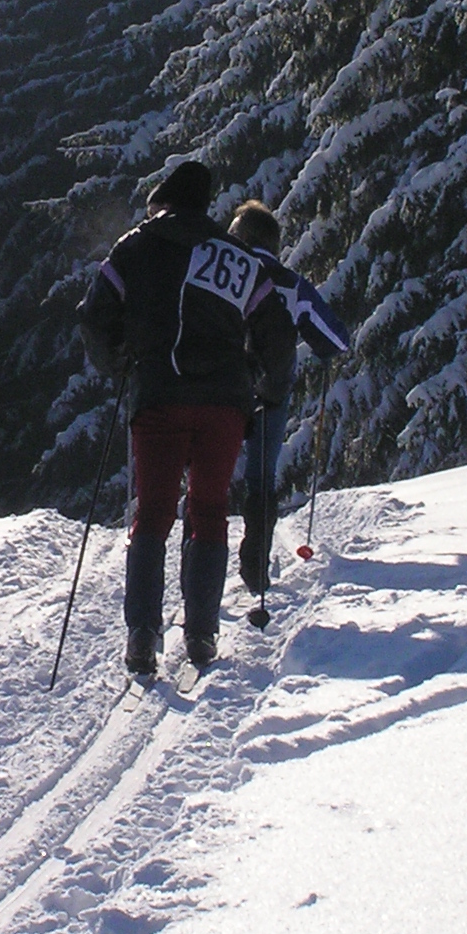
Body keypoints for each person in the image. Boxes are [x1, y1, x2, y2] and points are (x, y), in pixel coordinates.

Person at [77, 161, 287, 676]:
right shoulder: (236, 255)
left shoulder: (134, 247)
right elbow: (278, 330)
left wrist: (118, 363)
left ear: (163, 204)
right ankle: (201, 634)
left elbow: (93, 315)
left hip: (158, 396)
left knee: (152, 513)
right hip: (224, 404)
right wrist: (267, 386)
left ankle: (142, 634)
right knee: (210, 511)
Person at [226, 200, 350, 595]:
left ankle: (198, 569)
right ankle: (256, 566)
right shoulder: (290, 283)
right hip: (271, 394)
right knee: (261, 478)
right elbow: (335, 340)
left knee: (208, 477)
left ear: (243, 236)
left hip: (222, 388)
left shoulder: (223, 272)